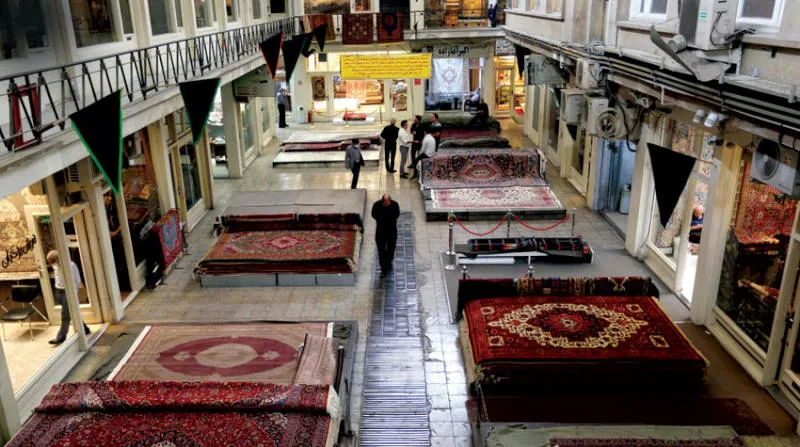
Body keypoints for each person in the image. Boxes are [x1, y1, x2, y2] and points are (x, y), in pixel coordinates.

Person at [46, 250, 90, 345]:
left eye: (51, 261)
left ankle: (61, 337)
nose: (50, 263)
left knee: (65, 315)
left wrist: (73, 292)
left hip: (68, 292)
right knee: (72, 312)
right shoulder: (55, 266)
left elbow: (77, 280)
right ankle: (85, 329)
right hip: (59, 291)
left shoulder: (71, 265)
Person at [372, 194, 400, 278]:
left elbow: (397, 215)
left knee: (391, 251)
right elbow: (374, 214)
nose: (388, 202)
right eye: (386, 201)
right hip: (381, 233)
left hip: (392, 232)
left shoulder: (395, 205)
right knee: (381, 252)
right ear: (383, 201)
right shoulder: (377, 205)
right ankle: (383, 270)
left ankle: (388, 263)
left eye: (388, 201)